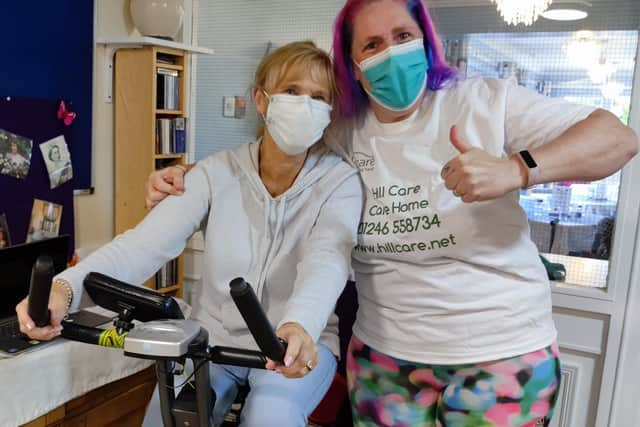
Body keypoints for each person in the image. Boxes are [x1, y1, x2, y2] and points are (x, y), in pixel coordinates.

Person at [145, 2, 639, 426]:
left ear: (426, 42)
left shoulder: (485, 102)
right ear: (354, 67)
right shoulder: (341, 130)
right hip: (387, 362)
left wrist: (518, 168)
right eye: (372, 45)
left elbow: (617, 139)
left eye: (403, 37)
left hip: (500, 354)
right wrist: (188, 174)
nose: (390, 54)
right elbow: (269, 156)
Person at [16, 41, 363, 427]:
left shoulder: (340, 181)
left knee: (271, 415)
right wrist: (64, 290)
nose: (306, 104)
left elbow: (327, 260)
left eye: (319, 97)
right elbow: (143, 245)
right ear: (261, 100)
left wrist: (299, 325)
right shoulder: (215, 173)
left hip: (298, 343)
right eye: (293, 91)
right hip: (213, 343)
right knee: (167, 419)